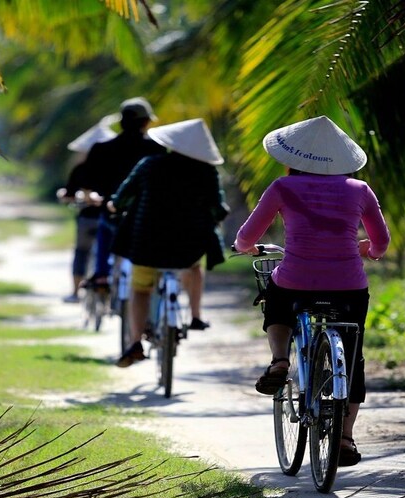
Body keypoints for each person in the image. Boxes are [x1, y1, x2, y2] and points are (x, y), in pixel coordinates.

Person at [233, 115, 390, 467]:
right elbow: (381, 243)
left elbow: (247, 237)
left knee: (276, 296)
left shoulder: (283, 188)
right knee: (352, 359)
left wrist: (246, 248)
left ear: (294, 159)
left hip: (297, 279)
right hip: (349, 286)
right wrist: (369, 251)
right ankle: (346, 439)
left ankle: (279, 359)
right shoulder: (360, 190)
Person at [109, 118, 229, 367]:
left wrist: (115, 205)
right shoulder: (207, 172)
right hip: (188, 248)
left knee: (141, 289)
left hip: (145, 245)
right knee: (195, 267)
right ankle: (195, 316)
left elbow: (123, 196)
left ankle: (134, 342)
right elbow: (218, 209)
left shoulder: (149, 165)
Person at [74, 97, 165, 289]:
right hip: (146, 215)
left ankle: (100, 275)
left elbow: (86, 181)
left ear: (121, 121)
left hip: (112, 211)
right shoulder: (156, 149)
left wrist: (90, 196)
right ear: (146, 122)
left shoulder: (101, 149)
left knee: (104, 228)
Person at [56, 116, 118, 302]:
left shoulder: (81, 169)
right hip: (111, 218)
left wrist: (64, 196)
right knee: (112, 253)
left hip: (87, 219)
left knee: (81, 252)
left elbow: (68, 194)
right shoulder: (115, 168)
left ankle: (76, 292)